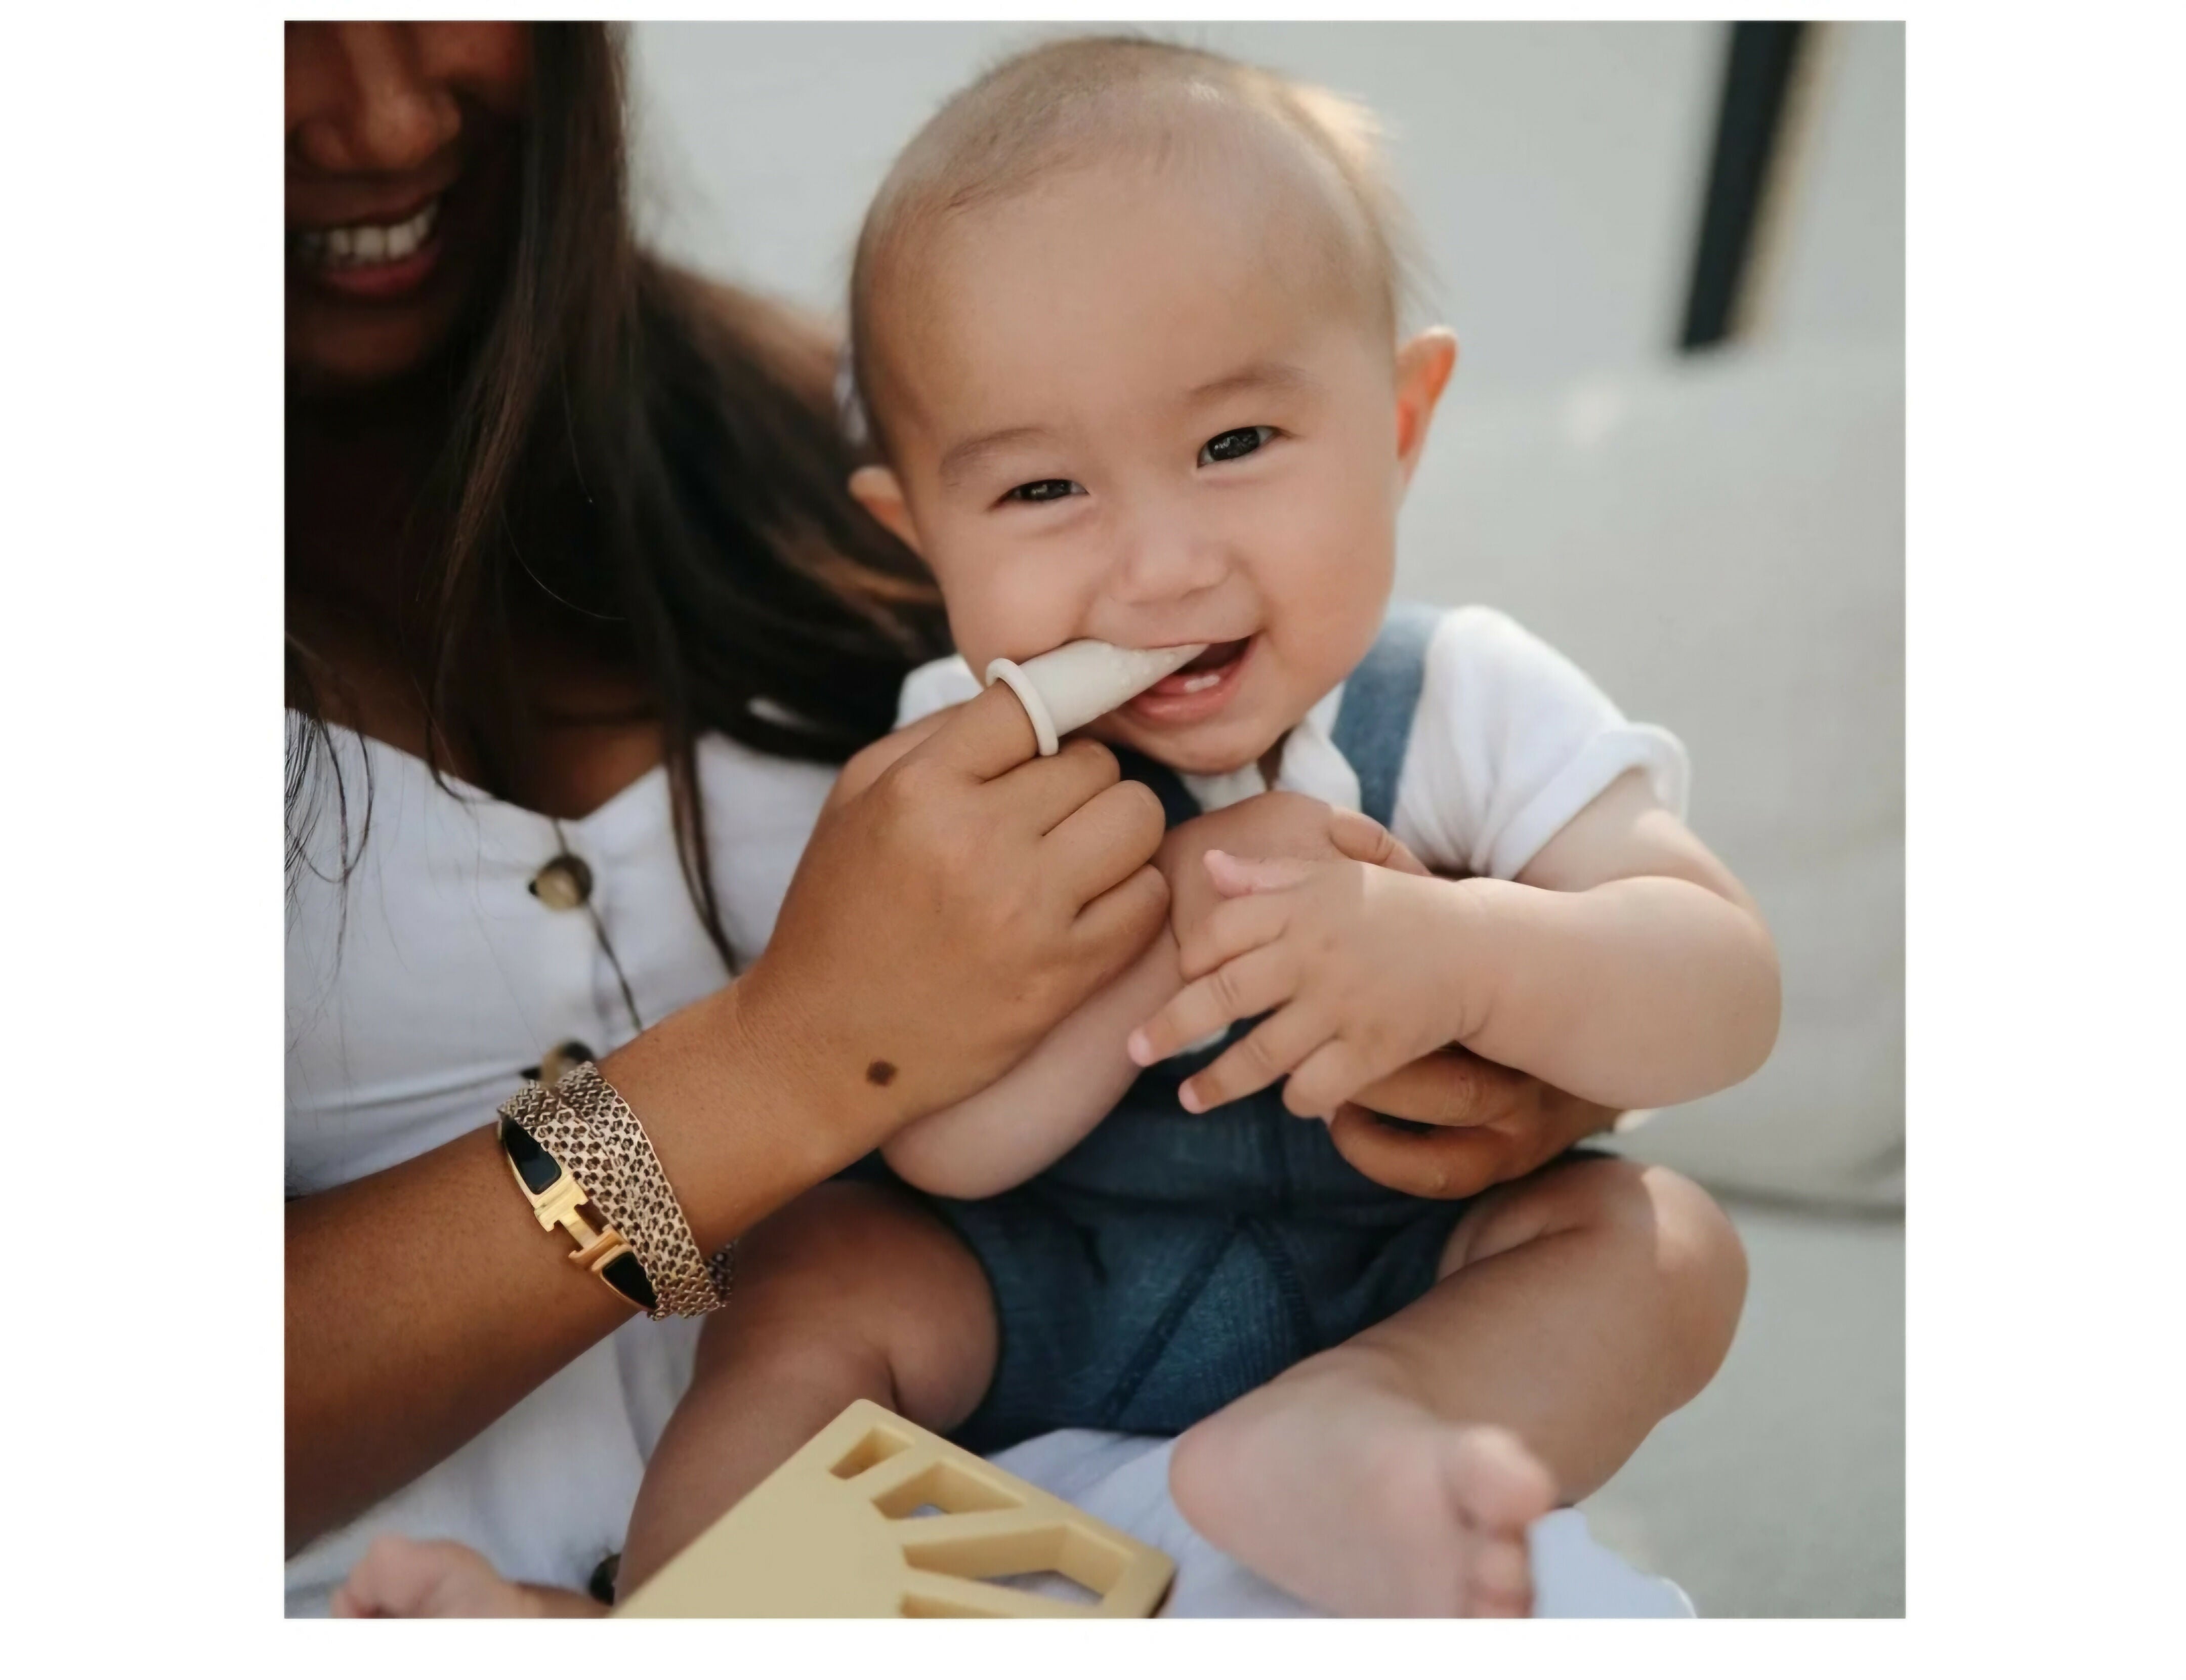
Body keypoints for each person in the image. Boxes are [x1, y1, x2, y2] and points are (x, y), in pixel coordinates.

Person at [289, 23, 1611, 1617]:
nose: (377, 109)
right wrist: (786, 1064)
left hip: (1040, 1522)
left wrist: (1518, 1037)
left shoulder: (840, 426)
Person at [598, 37, 1763, 1618]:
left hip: (1389, 1290)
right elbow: (942, 1137)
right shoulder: (960, 761)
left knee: (1665, 1243)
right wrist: (1171, 899)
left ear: (1404, 423)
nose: (1157, 566)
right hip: (1027, 1290)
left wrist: (1464, 951)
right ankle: (688, 1594)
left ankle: (1355, 1441)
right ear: (918, 531)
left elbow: (1719, 992)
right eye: (1039, 494)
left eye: (1233, 447)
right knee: (817, 1274)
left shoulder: (1467, 696)